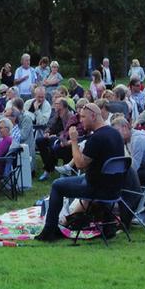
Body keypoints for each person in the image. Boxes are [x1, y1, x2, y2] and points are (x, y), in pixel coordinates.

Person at [35, 103, 126, 242]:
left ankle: (49, 231)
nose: (80, 120)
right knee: (78, 178)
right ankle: (109, 226)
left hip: (96, 189)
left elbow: (79, 164)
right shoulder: (115, 134)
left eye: (83, 117)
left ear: (93, 116)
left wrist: (74, 140)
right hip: (114, 189)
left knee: (57, 185)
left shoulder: (97, 138)